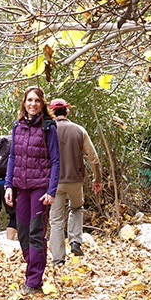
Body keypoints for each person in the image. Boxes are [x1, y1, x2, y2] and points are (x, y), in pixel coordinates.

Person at [4, 87, 60, 295]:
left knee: (36, 233)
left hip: (40, 188)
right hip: (21, 187)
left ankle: (34, 281)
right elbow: (13, 158)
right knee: (23, 234)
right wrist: (8, 185)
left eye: (37, 100)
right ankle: (33, 269)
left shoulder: (49, 128)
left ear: (43, 103)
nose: (33, 104)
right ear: (24, 103)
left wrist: (51, 191)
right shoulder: (17, 126)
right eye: (29, 100)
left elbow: (56, 160)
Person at [47, 98, 103, 265]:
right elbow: (94, 158)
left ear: (51, 112)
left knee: (56, 219)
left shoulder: (47, 131)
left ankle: (58, 259)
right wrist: (97, 178)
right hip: (75, 181)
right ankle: (75, 241)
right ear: (67, 111)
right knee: (77, 208)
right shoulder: (79, 130)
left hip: (54, 183)